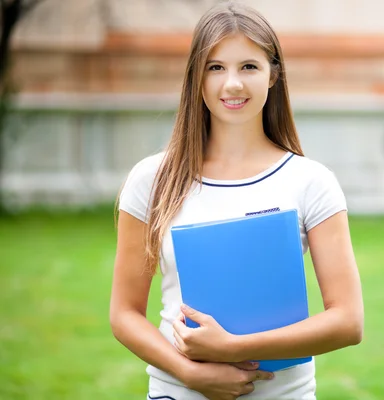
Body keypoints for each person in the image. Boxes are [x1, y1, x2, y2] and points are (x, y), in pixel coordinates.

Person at [110, 2, 364, 399]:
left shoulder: (311, 182)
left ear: (273, 75)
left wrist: (232, 348)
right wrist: (189, 373)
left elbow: (348, 322)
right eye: (216, 67)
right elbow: (124, 314)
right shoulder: (151, 180)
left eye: (249, 66)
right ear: (196, 76)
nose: (232, 84)